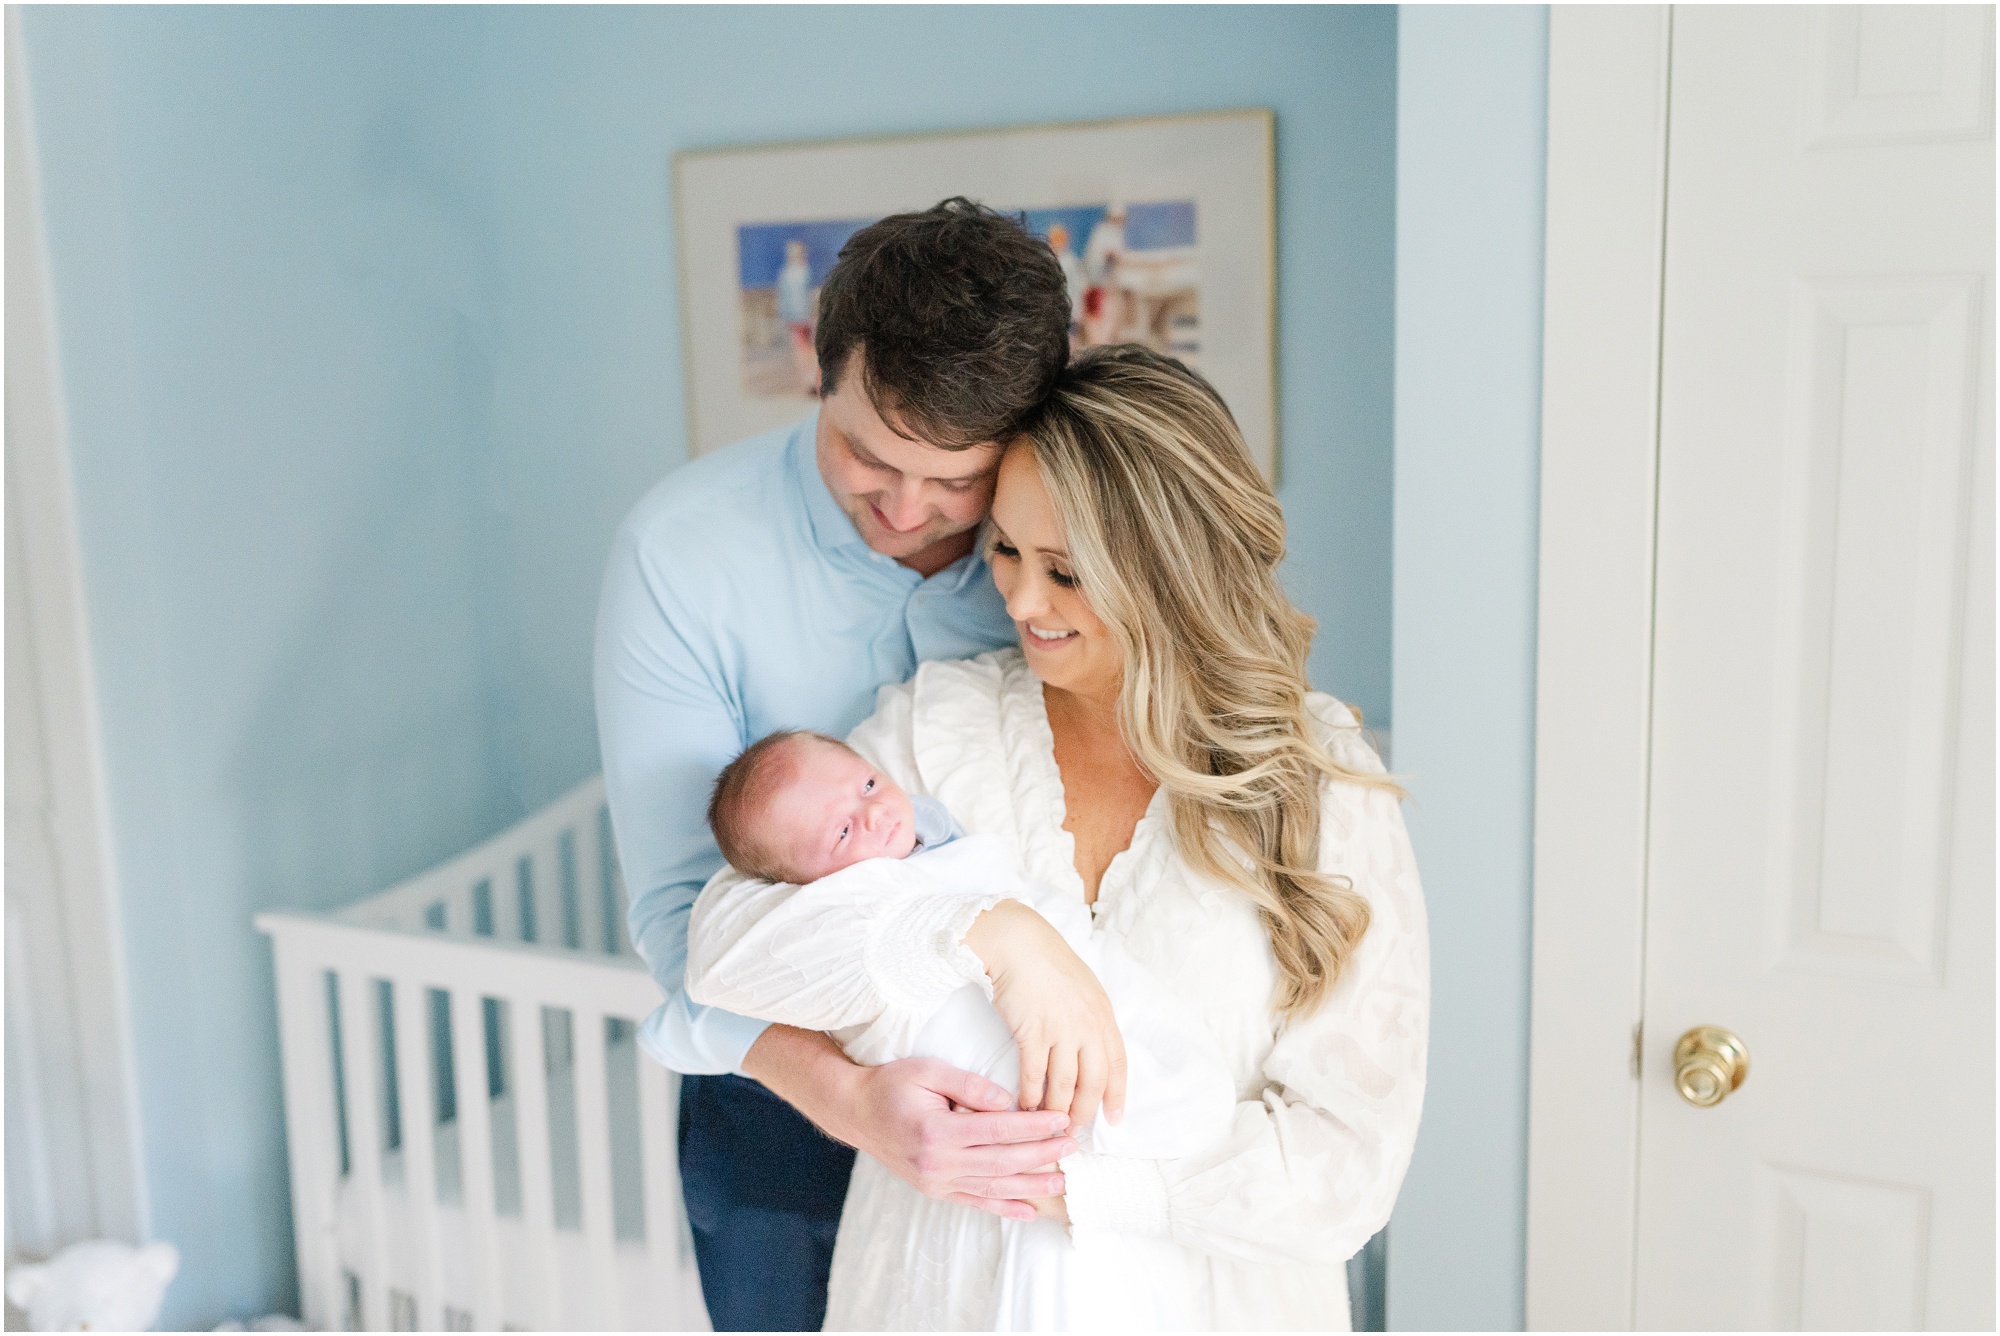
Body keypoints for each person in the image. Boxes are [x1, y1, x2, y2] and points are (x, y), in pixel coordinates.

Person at [686, 345, 1431, 1330]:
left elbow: (1345, 1165)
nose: (1021, 602)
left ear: (1172, 566)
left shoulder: (1315, 783)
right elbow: (728, 945)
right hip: (931, 1294)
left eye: (1065, 572)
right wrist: (993, 936)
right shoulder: (934, 732)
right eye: (1003, 550)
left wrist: (1076, 1186)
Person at [593, 198, 1094, 1331]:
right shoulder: (678, 556)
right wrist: (857, 1101)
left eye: (955, 481)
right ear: (817, 372)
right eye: (865, 454)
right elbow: (682, 920)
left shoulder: (1068, 560)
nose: (906, 509)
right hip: (779, 1095)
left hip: (1025, 1062)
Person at [697, 727, 1237, 1329]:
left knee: (1143, 1056)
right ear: (799, 883)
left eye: (869, 784)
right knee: (1062, 1097)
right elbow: (719, 963)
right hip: (972, 1085)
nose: (873, 814)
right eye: (843, 832)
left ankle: (1158, 1103)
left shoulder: (947, 841)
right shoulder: (834, 906)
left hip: (1083, 1025)